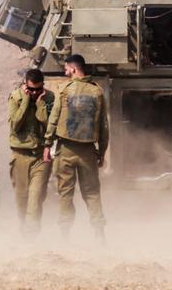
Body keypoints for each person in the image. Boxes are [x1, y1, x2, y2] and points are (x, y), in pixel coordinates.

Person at [44, 54, 109, 240]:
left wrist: (47, 144)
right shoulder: (97, 92)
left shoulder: (64, 90)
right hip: (88, 150)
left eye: (66, 69)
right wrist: (102, 152)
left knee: (65, 193)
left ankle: (65, 234)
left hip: (65, 150)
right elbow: (104, 126)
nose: (65, 72)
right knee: (92, 193)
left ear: (73, 69)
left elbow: (54, 119)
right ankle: (99, 233)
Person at [7, 68, 55, 234]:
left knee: (35, 199)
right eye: (31, 89)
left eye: (38, 89)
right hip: (20, 155)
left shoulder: (49, 98)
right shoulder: (15, 98)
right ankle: (23, 230)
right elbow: (15, 124)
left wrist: (41, 105)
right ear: (25, 86)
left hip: (40, 157)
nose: (35, 93)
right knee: (22, 199)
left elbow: (50, 126)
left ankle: (31, 237)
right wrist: (26, 101)